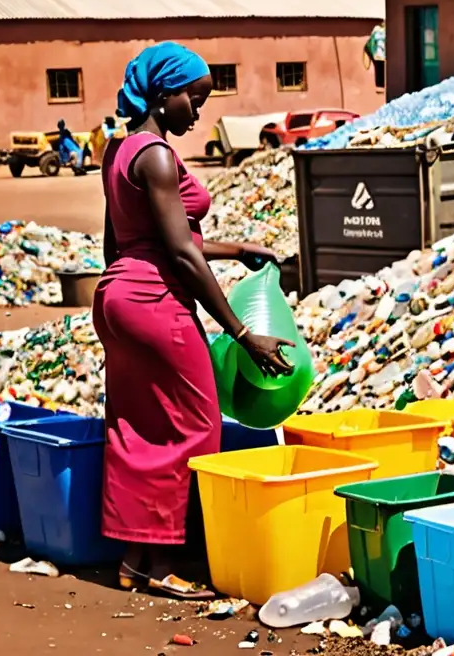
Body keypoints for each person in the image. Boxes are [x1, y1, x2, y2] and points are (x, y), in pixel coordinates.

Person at [95, 42, 294, 599]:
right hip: (156, 300)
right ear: (164, 94)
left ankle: (135, 559)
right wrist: (241, 333)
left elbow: (127, 239)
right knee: (194, 427)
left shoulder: (118, 151)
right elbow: (180, 254)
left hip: (118, 298)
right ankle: (162, 566)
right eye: (195, 99)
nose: (199, 112)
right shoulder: (158, 155)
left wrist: (232, 250)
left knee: (138, 428)